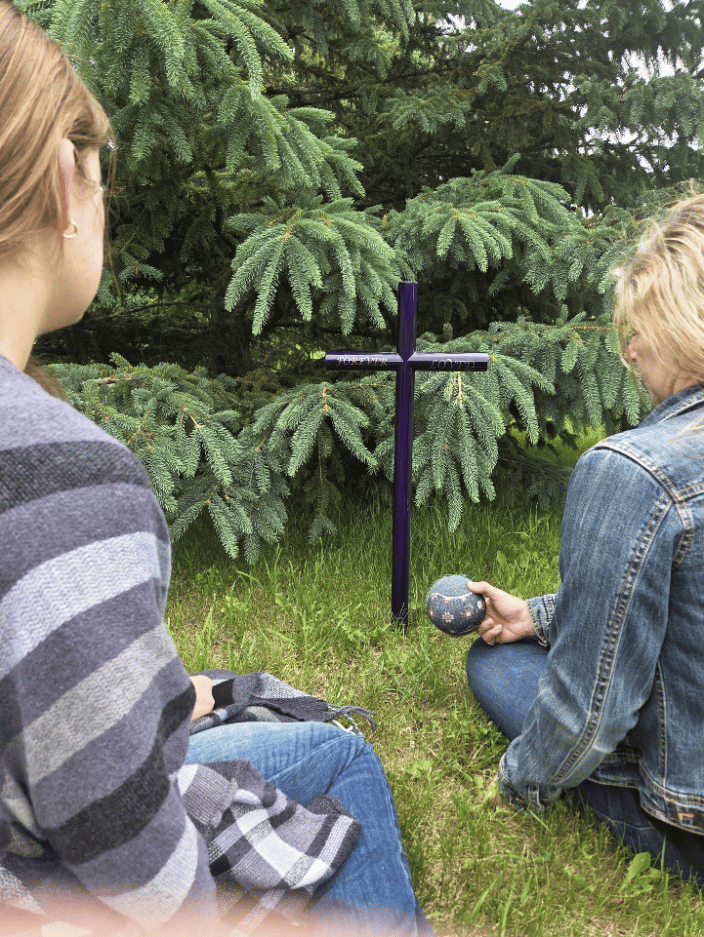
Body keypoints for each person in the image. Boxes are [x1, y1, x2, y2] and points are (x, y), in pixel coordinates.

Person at [0, 3, 430, 933]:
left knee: (217, 698)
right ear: (55, 182)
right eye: (98, 162)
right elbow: (131, 852)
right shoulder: (63, 478)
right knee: (338, 756)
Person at [465, 192, 704, 884]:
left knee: (495, 669)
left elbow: (591, 705)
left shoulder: (635, 468)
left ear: (677, 327)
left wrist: (518, 783)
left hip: (689, 823)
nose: (630, 354)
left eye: (637, 333)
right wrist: (538, 615)